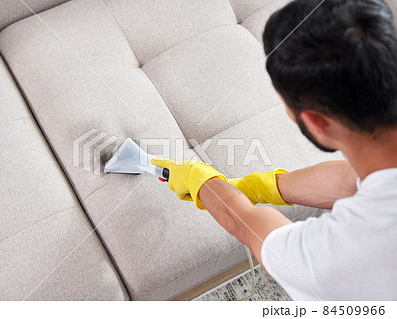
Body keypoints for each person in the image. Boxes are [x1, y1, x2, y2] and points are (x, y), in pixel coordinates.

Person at [152, 0, 397, 300]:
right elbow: (353, 180)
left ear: (316, 122)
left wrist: (203, 183)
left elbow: (245, 224)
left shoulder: (333, 255)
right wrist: (260, 187)